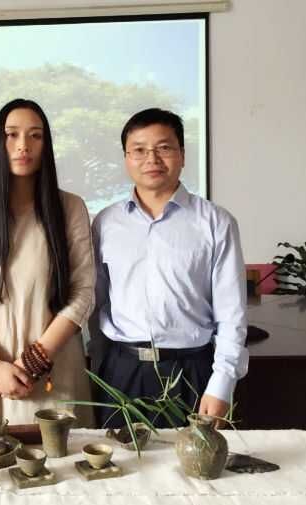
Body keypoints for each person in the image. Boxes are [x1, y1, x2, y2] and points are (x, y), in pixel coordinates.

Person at [89, 108, 248, 428]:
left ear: (182, 155)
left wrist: (221, 385)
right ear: (126, 158)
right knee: (119, 460)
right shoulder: (105, 222)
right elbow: (97, 300)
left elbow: (232, 314)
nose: (152, 159)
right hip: (122, 373)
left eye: (164, 148)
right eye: (139, 150)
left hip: (192, 373)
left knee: (194, 461)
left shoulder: (216, 222)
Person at [0, 99, 94, 426]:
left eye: (35, 136)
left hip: (55, 370)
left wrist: (31, 362)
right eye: (12, 134)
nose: (23, 145)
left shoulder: (70, 208)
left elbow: (83, 292)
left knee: (60, 456)